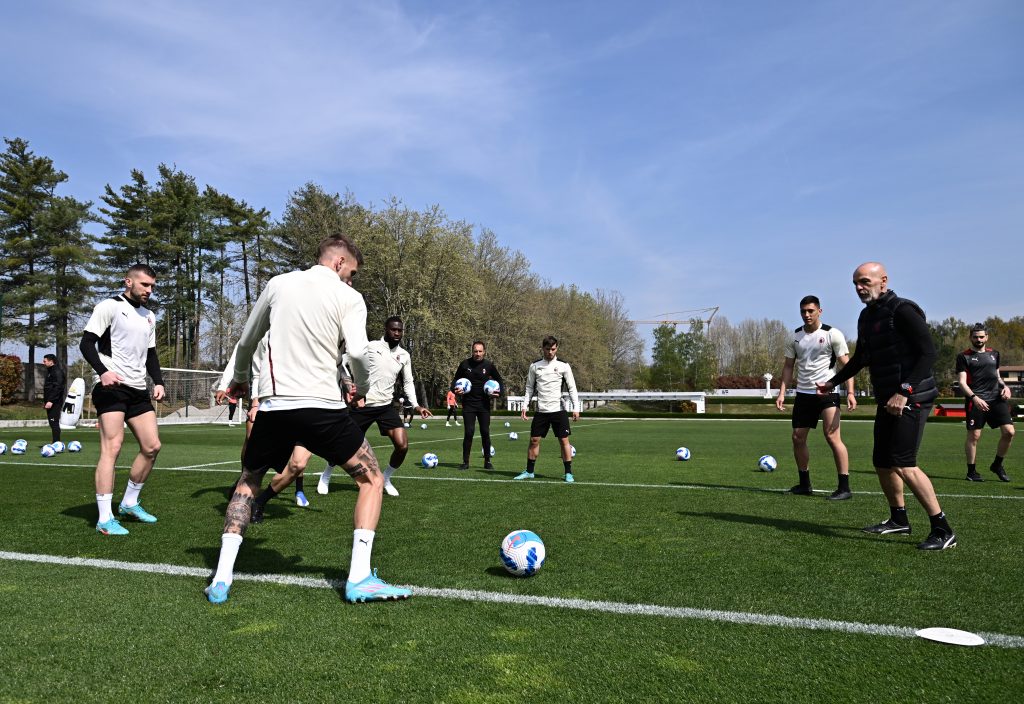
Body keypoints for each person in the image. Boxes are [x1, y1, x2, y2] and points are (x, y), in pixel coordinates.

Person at [207, 235, 410, 604]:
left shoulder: (277, 284)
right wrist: (362, 386)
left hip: (274, 407)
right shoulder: (348, 297)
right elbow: (359, 352)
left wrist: (237, 377)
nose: (352, 280)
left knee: (250, 478)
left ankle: (221, 578)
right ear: (337, 263)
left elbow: (247, 340)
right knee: (371, 479)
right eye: (352, 272)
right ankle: (359, 578)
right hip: (322, 408)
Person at [818, 262, 956, 551]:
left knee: (904, 462)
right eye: (855, 283)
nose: (859, 287)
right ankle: (899, 519)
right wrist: (834, 382)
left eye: (865, 281)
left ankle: (942, 529)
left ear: (883, 281)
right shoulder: (867, 317)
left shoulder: (903, 310)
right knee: (882, 460)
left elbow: (927, 353)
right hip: (887, 398)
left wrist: (905, 390)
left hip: (912, 396)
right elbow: (861, 359)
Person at [79, 264, 165, 536]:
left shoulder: (149, 316)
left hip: (138, 389)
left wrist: (159, 381)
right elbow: (86, 343)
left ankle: (129, 503)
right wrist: (103, 372)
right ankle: (105, 518)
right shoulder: (109, 306)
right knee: (112, 448)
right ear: (128, 282)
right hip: (112, 386)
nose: (149, 290)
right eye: (145, 285)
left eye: (152, 286)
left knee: (152, 447)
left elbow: (150, 354)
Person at [318, 317, 432, 498]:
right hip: (363, 406)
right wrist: (350, 386)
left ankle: (386, 479)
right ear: (385, 329)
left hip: (386, 407)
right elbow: (341, 362)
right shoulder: (370, 347)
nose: (397, 333)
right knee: (342, 445)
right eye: (393, 330)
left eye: (400, 330)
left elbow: (408, 382)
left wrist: (417, 406)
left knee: (402, 446)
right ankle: (326, 475)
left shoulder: (404, 355)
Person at [215, 335, 313, 520]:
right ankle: (245, 483)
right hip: (267, 401)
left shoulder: (304, 326)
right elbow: (242, 353)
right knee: (253, 443)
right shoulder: (263, 330)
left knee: (299, 461)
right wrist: (253, 402)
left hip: (306, 402)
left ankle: (294, 490)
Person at [775, 296, 857, 500]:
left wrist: (851, 393)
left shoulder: (832, 334)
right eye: (803, 311)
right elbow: (788, 367)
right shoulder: (794, 337)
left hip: (827, 392)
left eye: (811, 311)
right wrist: (782, 392)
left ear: (819, 311)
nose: (806, 314)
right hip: (803, 394)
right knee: (797, 438)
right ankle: (804, 485)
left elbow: (848, 366)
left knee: (832, 436)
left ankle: (844, 487)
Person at [515, 336, 580, 482]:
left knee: (564, 441)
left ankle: (568, 473)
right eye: (547, 349)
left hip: (558, 410)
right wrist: (525, 405)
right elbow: (529, 388)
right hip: (541, 411)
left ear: (556, 348)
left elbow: (572, 388)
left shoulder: (564, 365)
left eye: (553, 349)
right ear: (542, 348)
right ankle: (529, 471)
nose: (550, 352)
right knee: (533, 440)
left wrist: (576, 408)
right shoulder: (535, 366)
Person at [957, 323, 1014, 482]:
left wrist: (1005, 387)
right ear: (970, 338)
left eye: (981, 336)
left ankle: (997, 464)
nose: (978, 339)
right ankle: (971, 472)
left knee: (1009, 432)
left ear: (986, 337)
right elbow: (962, 382)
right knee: (974, 436)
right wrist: (974, 398)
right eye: (975, 337)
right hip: (976, 400)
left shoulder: (994, 354)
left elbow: (997, 376)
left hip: (996, 399)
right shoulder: (964, 356)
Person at [452, 341, 505, 470]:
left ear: (484, 352)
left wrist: (499, 393)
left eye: (480, 351)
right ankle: (465, 462)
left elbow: (499, 381)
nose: (478, 354)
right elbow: (454, 380)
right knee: (469, 432)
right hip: (468, 404)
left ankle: (487, 461)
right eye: (475, 351)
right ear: (472, 351)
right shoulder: (464, 364)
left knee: (485, 432)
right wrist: (455, 389)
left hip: (483, 404)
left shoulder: (489, 365)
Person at [42, 353, 66, 444]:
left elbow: (58, 387)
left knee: (54, 422)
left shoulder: (57, 372)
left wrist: (51, 401)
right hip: (49, 401)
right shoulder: (50, 371)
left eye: (45, 361)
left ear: (51, 362)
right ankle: (56, 442)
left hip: (55, 402)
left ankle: (56, 443)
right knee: (52, 422)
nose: (43, 363)